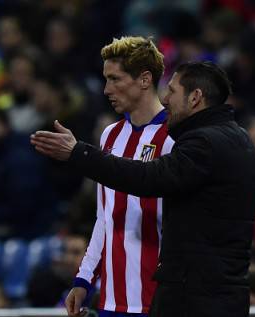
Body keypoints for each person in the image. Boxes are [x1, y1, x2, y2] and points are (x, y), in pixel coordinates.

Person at [31, 61, 255, 317]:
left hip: (196, 295)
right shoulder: (239, 138)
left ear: (195, 97)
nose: (166, 97)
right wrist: (85, 277)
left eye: (172, 91)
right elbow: (106, 216)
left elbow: (148, 177)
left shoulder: (203, 143)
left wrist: (79, 153)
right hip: (225, 290)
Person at [60, 36, 173, 317]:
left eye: (115, 79)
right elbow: (105, 216)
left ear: (145, 80)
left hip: (160, 297)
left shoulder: (175, 136)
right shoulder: (110, 135)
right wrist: (84, 279)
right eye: (106, 79)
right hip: (112, 299)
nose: (106, 89)